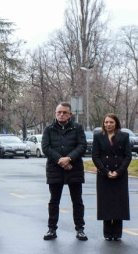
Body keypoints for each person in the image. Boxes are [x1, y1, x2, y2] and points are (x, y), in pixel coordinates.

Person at [40, 102, 88, 240]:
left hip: (74, 168)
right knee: (54, 201)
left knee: (77, 201)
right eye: (59, 112)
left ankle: (80, 229)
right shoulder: (49, 129)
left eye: (65, 112)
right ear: (55, 113)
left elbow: (82, 146)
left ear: (70, 114)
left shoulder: (77, 128)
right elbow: (46, 148)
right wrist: (61, 161)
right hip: (55, 169)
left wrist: (69, 159)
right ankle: (51, 229)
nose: (61, 115)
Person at [92, 113, 132, 241]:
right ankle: (108, 232)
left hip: (120, 175)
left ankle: (117, 233)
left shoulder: (124, 136)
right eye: (106, 122)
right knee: (106, 203)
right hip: (104, 175)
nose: (108, 125)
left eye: (111, 122)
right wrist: (105, 171)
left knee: (119, 203)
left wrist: (119, 171)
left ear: (116, 124)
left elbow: (128, 156)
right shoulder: (98, 137)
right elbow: (95, 156)